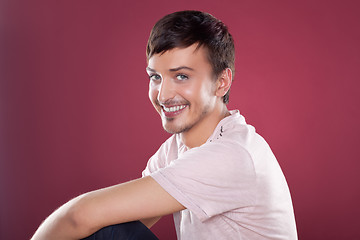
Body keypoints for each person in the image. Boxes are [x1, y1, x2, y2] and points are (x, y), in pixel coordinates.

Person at [31, 10, 297, 240]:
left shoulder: (232, 154)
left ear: (222, 82)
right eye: (155, 77)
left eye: (181, 76)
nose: (163, 95)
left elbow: (80, 216)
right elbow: (114, 221)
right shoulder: (175, 149)